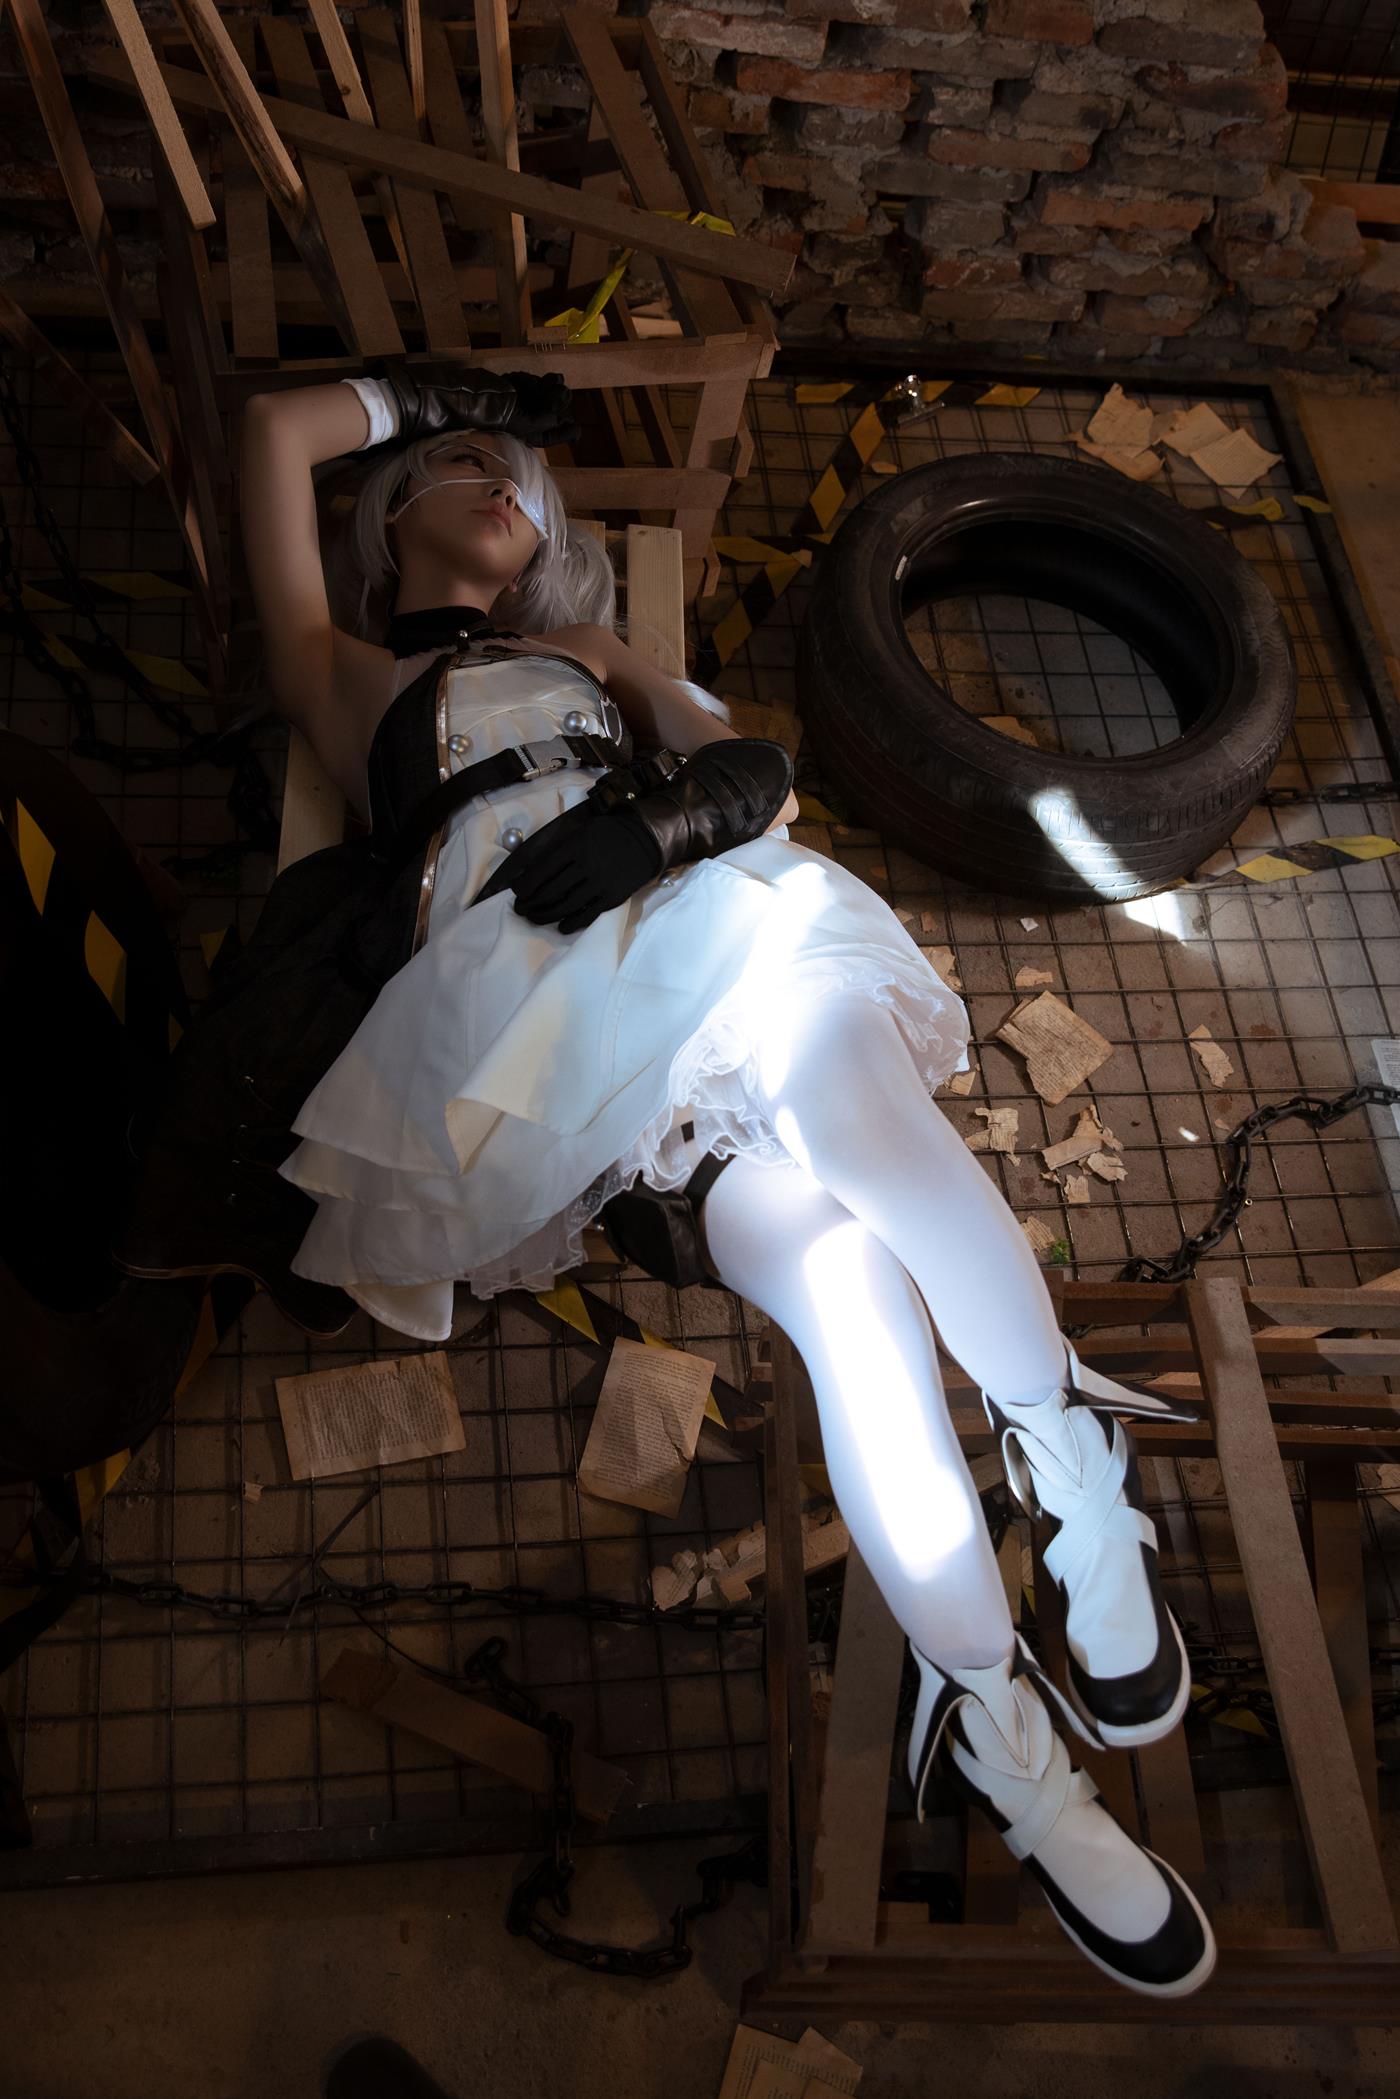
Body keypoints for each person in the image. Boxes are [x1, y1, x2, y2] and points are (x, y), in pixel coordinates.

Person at [221, 369, 1221, 1996]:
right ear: (389, 515)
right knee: (849, 1310)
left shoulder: (588, 649)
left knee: (856, 1113)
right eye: (461, 466)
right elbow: (278, 434)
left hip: (711, 918)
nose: (504, 483)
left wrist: (672, 816)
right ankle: (1000, 1728)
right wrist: (438, 393)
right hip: (553, 1049)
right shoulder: (341, 679)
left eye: (520, 475)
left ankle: (1069, 1462)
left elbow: (755, 770)